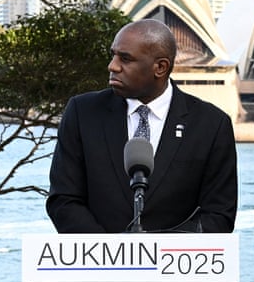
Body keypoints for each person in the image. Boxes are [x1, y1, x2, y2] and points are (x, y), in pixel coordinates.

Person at [47, 19, 238, 233]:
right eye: (113, 55)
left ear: (160, 67)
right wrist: (110, 248)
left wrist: (154, 248)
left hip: (174, 255)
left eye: (125, 59)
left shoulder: (211, 125)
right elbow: (63, 200)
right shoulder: (83, 112)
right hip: (97, 253)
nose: (112, 66)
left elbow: (219, 215)